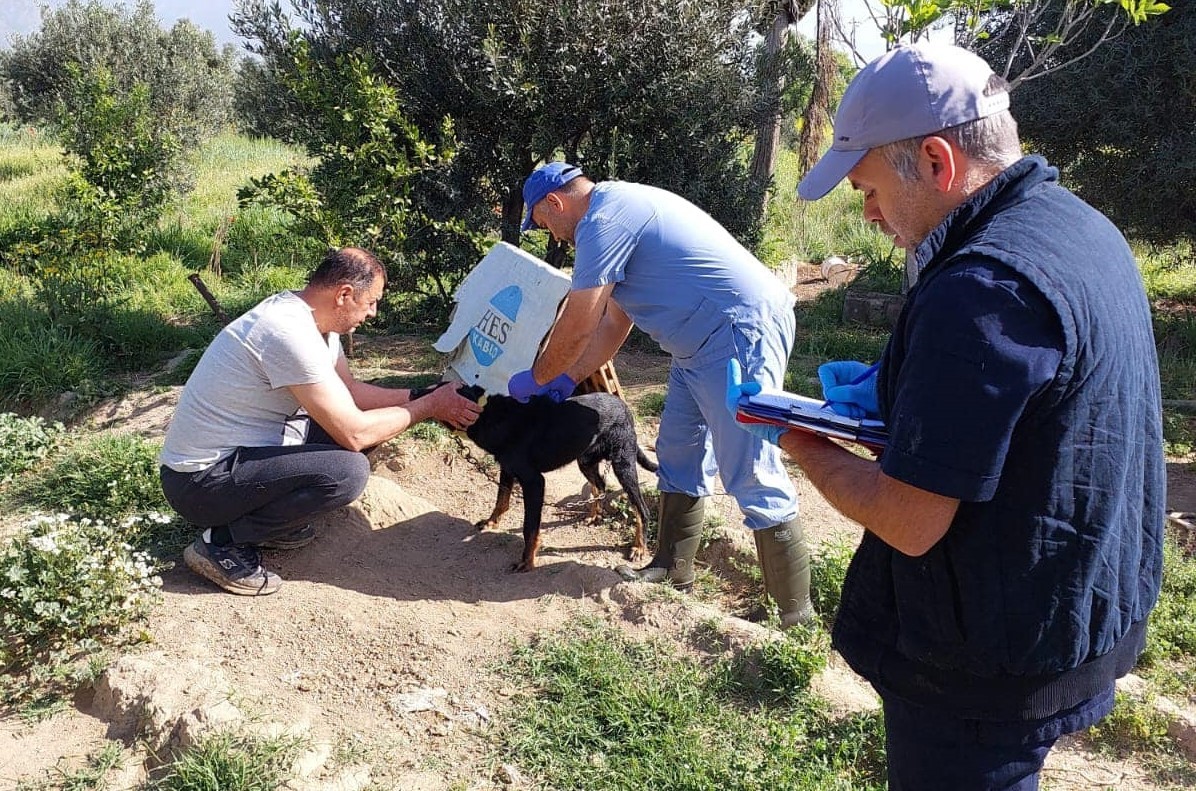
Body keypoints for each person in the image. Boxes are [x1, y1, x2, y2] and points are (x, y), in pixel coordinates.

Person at [728, 43, 1165, 789]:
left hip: (985, 667)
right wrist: (906, 392)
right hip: (1076, 611)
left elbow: (910, 519)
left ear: (936, 161)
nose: (867, 213)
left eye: (868, 188)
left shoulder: (980, 290)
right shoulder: (1081, 227)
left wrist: (799, 436)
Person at [508, 161, 814, 627]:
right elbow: (612, 324)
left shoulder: (604, 221)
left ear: (555, 202)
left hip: (736, 332)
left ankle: (792, 615)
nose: (551, 235)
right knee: (678, 450)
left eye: (543, 222)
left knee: (750, 466)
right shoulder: (613, 216)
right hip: (696, 344)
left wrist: (538, 377)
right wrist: (568, 379)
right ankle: (672, 568)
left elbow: (578, 322)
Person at [159, 247, 482, 596]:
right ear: (344, 294)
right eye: (371, 302)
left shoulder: (316, 323)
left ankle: (270, 524)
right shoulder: (287, 332)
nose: (373, 312)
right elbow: (355, 433)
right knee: (347, 471)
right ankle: (221, 543)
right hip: (200, 483)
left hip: (240, 458)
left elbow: (351, 392)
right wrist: (430, 406)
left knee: (358, 434)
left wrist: (421, 394)